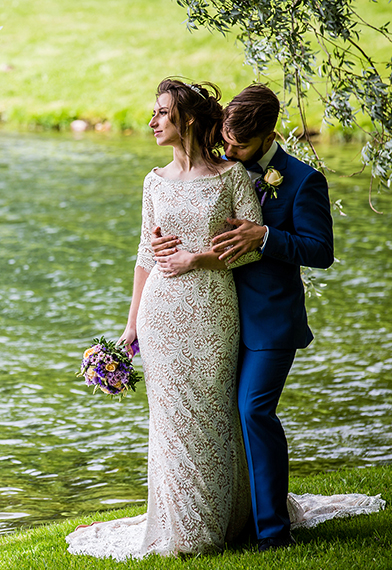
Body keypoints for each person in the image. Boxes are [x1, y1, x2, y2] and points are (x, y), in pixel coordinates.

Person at [147, 84, 384, 553]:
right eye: (226, 141)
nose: (229, 151)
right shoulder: (220, 168)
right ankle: (231, 516)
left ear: (268, 137)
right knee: (217, 417)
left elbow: (320, 251)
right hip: (212, 315)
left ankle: (273, 530)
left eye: (239, 145)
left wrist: (265, 236)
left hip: (269, 320)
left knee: (253, 410)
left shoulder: (302, 180)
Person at [66, 78, 263, 560]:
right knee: (170, 421)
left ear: (187, 119)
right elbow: (144, 255)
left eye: (161, 112)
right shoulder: (153, 181)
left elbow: (251, 248)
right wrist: (131, 323)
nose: (152, 121)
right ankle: (182, 529)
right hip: (160, 313)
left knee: (212, 413)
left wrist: (198, 259)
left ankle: (225, 519)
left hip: (212, 310)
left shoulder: (231, 177)